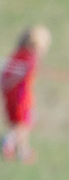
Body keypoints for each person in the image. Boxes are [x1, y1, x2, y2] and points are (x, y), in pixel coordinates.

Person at [1, 25, 49, 163]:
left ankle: (22, 150)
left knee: (19, 122)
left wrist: (5, 85)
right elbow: (23, 74)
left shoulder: (17, 54)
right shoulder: (30, 57)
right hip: (22, 96)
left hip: (10, 94)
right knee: (25, 123)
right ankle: (9, 141)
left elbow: (5, 74)